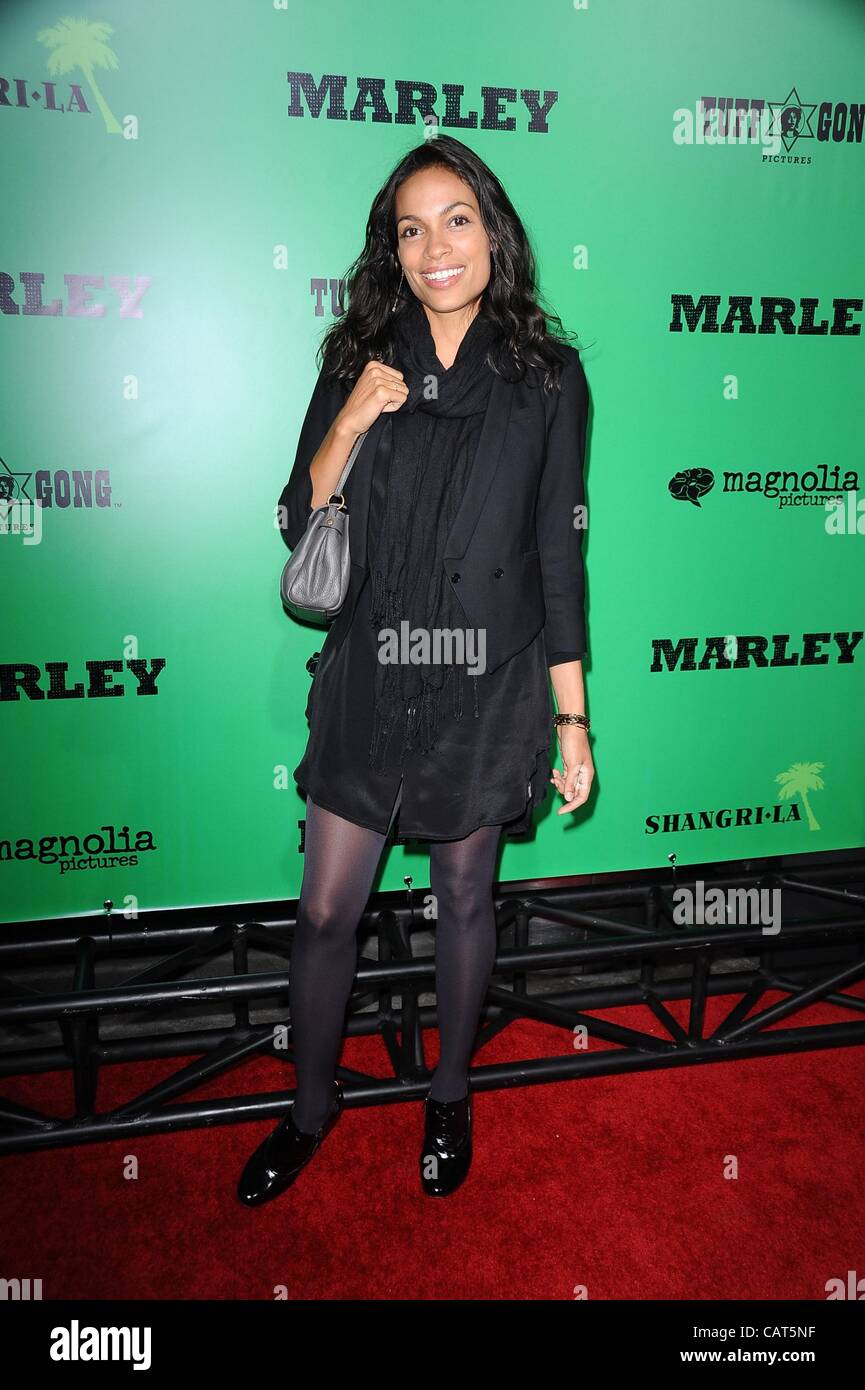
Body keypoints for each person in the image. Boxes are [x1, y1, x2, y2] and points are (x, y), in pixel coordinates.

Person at [237, 134, 594, 1207]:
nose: (435, 246)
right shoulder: (359, 358)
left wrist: (571, 720)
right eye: (410, 227)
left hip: (486, 681)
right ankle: (309, 1111)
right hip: (369, 672)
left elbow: (557, 550)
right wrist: (350, 417)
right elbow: (298, 522)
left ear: (493, 233)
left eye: (456, 220)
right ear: (390, 250)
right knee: (323, 914)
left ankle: (447, 1093)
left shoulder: (547, 376)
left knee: (464, 901)